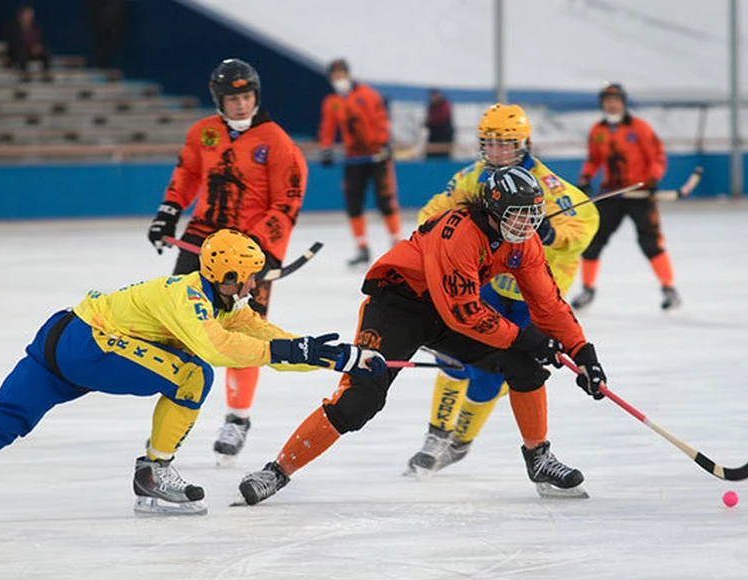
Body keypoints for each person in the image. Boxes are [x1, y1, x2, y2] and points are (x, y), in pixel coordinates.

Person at [0, 230, 387, 523]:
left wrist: (336, 357)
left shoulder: (223, 303)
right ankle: (154, 472)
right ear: (225, 273)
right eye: (247, 276)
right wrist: (299, 348)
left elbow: (268, 342)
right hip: (91, 346)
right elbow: (218, 348)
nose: (252, 285)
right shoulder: (190, 298)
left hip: (61, 337)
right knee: (192, 374)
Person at [237, 166, 609, 506]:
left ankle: (539, 458)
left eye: (534, 216)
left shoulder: (523, 243)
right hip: (397, 306)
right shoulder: (459, 232)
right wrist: (526, 338)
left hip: (446, 307)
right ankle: (278, 470)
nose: (527, 225)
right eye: (519, 215)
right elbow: (463, 312)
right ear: (494, 211)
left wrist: (583, 352)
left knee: (524, 366)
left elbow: (549, 304)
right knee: (360, 399)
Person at [405, 103, 599, 477]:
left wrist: (551, 233)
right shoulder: (471, 177)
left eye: (506, 144)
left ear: (524, 143)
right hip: (489, 282)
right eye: (490, 144)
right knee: (455, 357)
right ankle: (436, 433)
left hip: (531, 290)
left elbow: (586, 224)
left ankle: (460, 439)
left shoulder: (550, 185)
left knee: (495, 374)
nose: (497, 152)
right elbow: (433, 213)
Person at [146, 58, 309, 465]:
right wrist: (169, 210)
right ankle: (179, 400)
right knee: (183, 321)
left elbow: (286, 201)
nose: (240, 104)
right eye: (233, 97)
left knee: (244, 329)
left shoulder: (277, 141)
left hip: (248, 248)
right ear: (219, 98)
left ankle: (238, 417)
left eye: (247, 96)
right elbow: (186, 176)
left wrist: (262, 250)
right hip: (201, 240)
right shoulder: (202, 133)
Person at [572, 82, 680, 311]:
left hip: (639, 193)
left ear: (623, 102)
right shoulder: (598, 131)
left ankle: (669, 288)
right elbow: (594, 159)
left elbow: (657, 156)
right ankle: (588, 289)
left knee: (650, 243)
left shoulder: (639, 128)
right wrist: (585, 178)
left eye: (615, 101)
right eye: (607, 101)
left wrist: (652, 179)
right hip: (612, 193)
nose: (611, 105)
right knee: (592, 242)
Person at [318, 58, 403, 267]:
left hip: (377, 155)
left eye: (341, 75)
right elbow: (328, 127)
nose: (339, 80)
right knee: (353, 202)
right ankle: (362, 246)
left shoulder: (367, 94)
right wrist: (326, 148)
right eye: (335, 77)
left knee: (385, 199)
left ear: (348, 74)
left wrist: (384, 142)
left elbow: (381, 119)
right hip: (353, 157)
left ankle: (397, 243)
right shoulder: (332, 102)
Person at [5, 3, 51, 80]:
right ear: (21, 16)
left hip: (33, 51)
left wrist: (38, 47)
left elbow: (42, 41)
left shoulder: (36, 27)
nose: (29, 17)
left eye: (30, 15)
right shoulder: (13, 28)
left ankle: (45, 75)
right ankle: (25, 75)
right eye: (27, 14)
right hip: (19, 52)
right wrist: (30, 49)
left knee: (45, 52)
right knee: (22, 54)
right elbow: (14, 44)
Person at [424, 88, 454, 159]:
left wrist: (430, 123)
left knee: (443, 154)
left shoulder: (445, 104)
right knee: (431, 154)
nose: (433, 97)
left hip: (444, 133)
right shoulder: (431, 106)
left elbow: (443, 117)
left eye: (434, 95)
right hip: (434, 134)